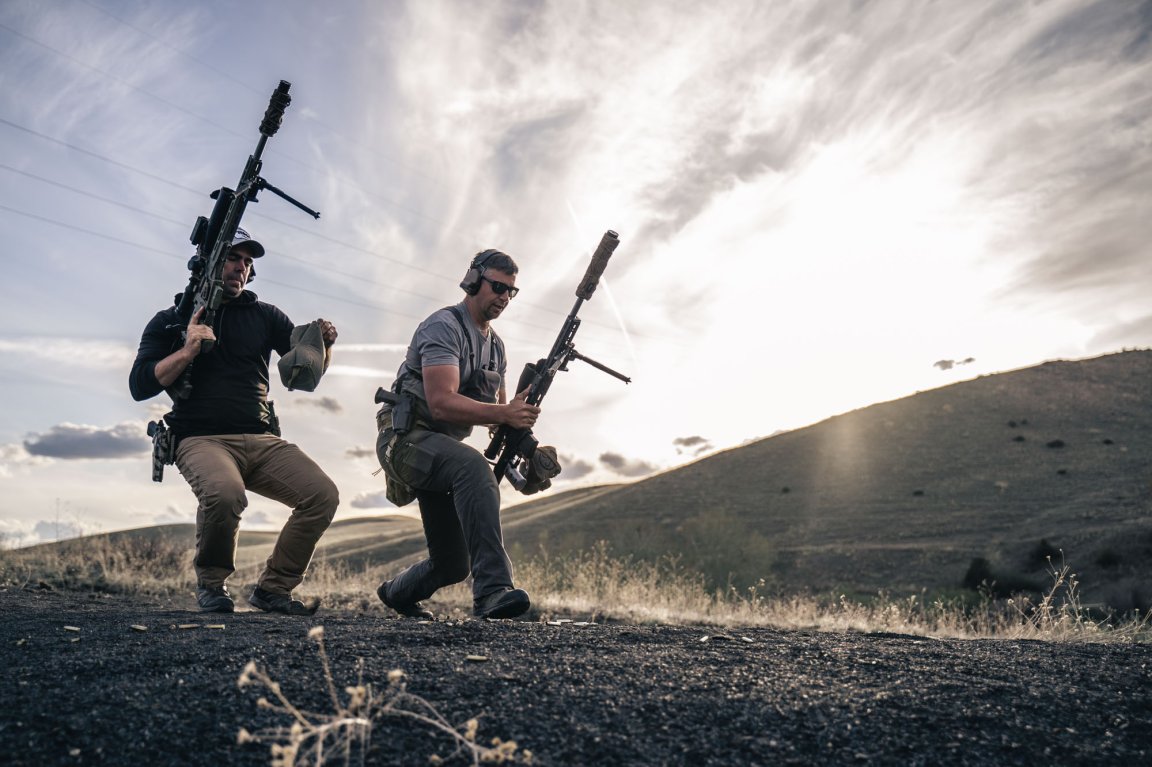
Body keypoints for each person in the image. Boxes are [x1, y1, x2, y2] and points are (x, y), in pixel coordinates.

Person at [129, 227, 340, 615]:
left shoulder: (265, 316)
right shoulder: (170, 321)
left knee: (322, 495)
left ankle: (274, 590)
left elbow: (303, 376)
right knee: (225, 493)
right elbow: (139, 385)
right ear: (210, 261)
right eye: (233, 257)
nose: (241, 267)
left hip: (261, 439)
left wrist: (323, 345)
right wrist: (188, 350)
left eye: (248, 262)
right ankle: (212, 585)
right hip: (200, 439)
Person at [375, 249, 539, 620]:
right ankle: (493, 591)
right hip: (404, 441)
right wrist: (504, 413)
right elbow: (441, 403)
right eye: (498, 286)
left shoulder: (496, 348)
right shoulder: (444, 327)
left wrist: (524, 440)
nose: (504, 297)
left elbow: (498, 416)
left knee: (452, 564)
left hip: (441, 453)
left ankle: (397, 593)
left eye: (511, 291)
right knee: (474, 467)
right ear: (473, 281)